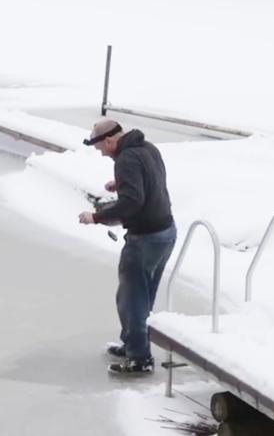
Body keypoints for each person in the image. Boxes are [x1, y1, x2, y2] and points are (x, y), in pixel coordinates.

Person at [78, 120, 177, 375]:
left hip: (145, 238)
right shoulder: (148, 148)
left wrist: (96, 217)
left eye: (99, 147)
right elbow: (149, 183)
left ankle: (139, 358)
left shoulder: (126, 160)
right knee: (143, 297)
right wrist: (120, 183)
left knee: (131, 299)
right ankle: (135, 344)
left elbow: (132, 203)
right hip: (165, 232)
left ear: (110, 141)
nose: (100, 152)